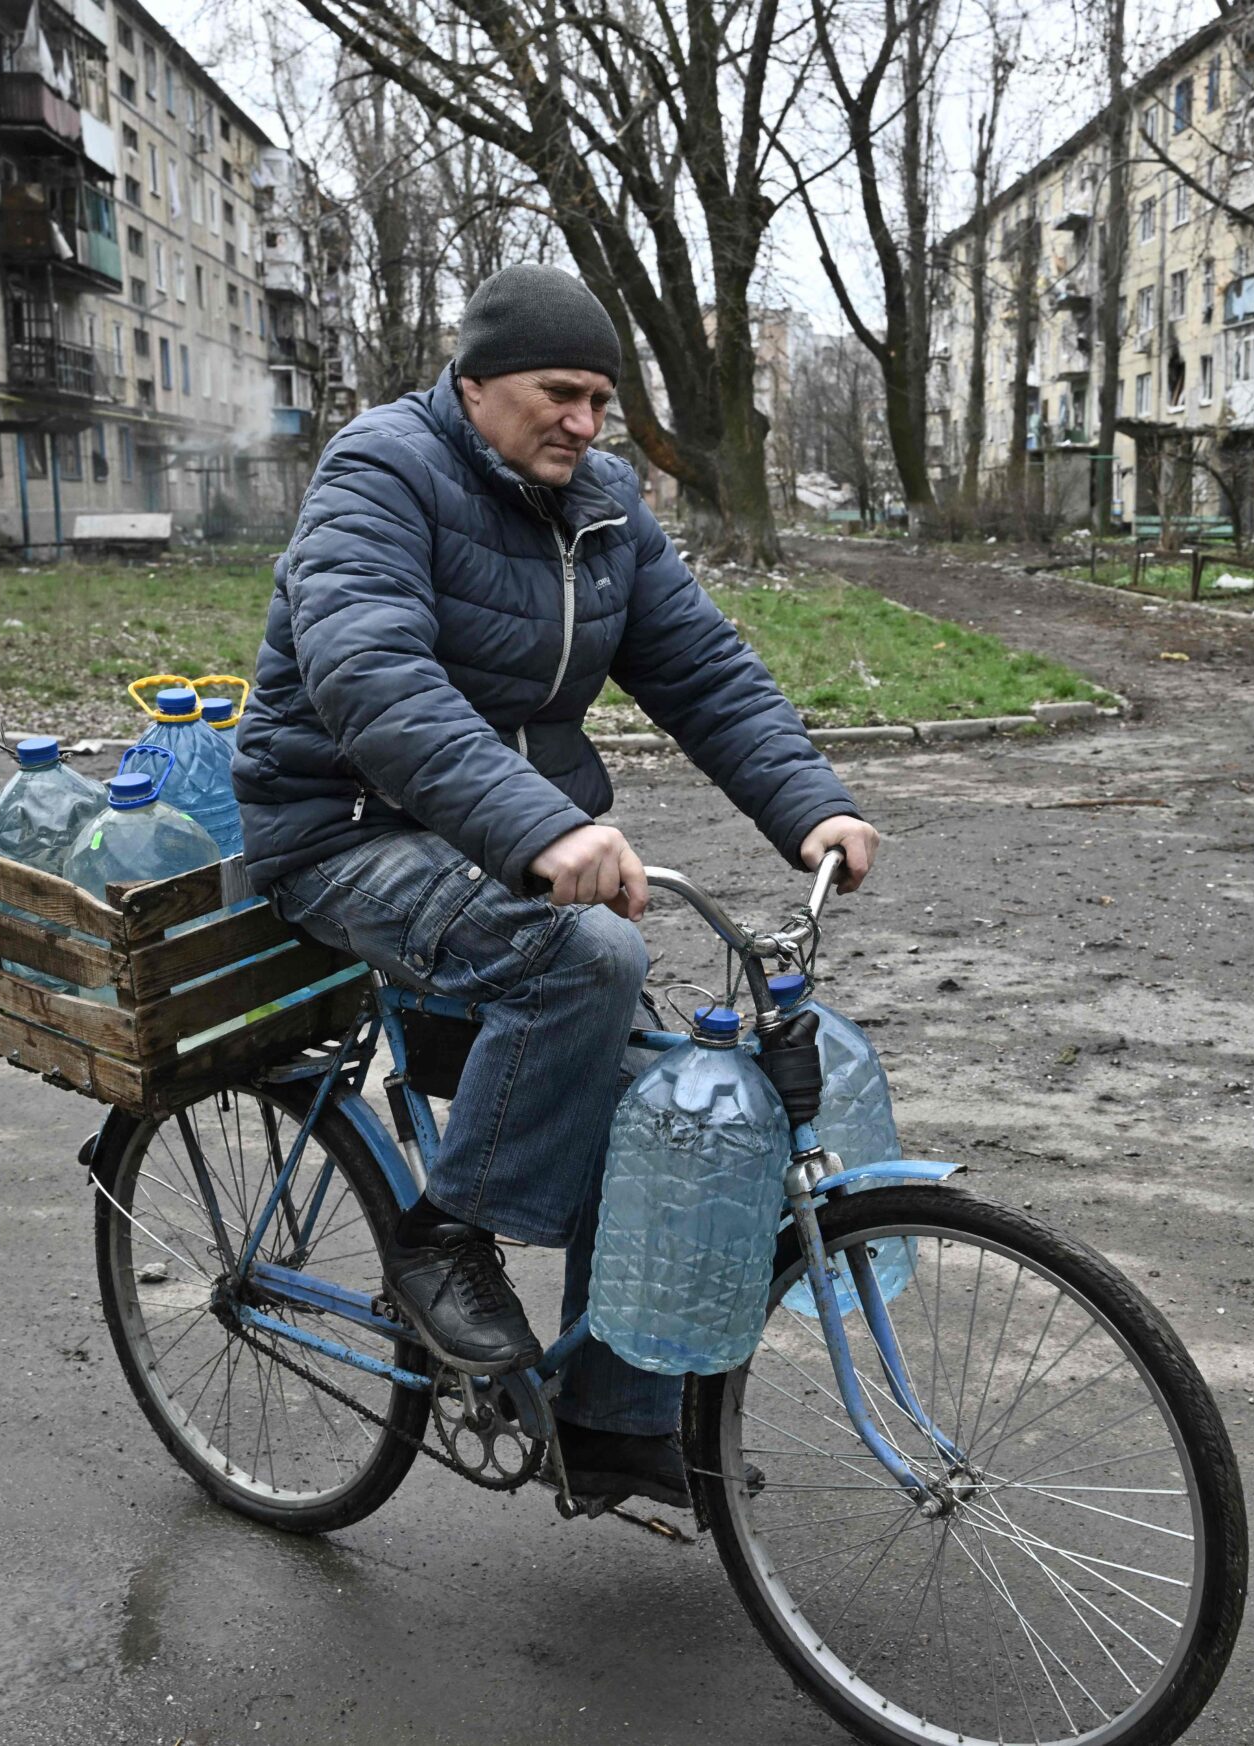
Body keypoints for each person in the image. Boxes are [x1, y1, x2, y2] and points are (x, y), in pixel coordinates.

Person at [232, 265, 881, 1512]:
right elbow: (371, 678)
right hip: (342, 828)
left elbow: (703, 670)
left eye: (602, 400)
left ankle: (615, 1424)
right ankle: (443, 1238)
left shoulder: (602, 505)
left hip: (491, 841)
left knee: (665, 1108)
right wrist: (542, 834)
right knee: (584, 958)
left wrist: (815, 807)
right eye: (560, 394)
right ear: (474, 384)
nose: (585, 423)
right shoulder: (380, 472)